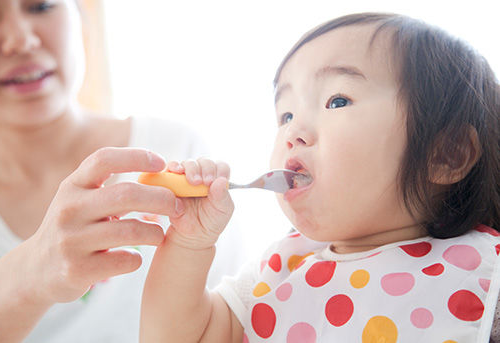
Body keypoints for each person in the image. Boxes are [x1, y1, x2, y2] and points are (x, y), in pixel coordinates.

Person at [139, 12, 500, 343]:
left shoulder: (487, 277)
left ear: (447, 154)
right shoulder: (278, 271)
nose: (293, 132)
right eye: (286, 115)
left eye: (337, 101)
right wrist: (189, 246)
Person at [0, 0, 246, 342]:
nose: (20, 40)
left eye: (41, 6)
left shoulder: (178, 153)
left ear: (82, 19)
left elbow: (230, 322)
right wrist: (33, 270)